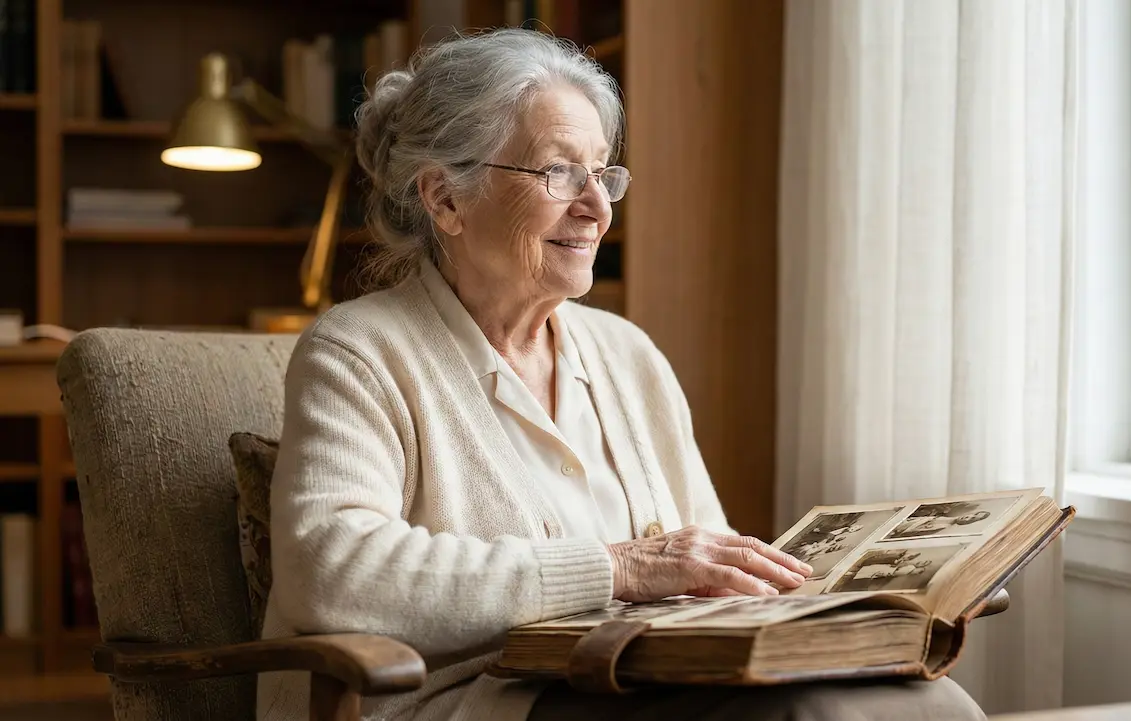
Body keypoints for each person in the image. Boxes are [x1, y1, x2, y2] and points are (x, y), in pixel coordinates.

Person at [256, 28, 986, 721]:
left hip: (641, 682)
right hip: (472, 701)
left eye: (603, 172)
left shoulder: (626, 354)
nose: (598, 206)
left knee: (928, 701)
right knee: (809, 713)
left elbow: (708, 560)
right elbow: (332, 572)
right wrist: (619, 568)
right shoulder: (358, 351)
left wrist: (867, 602)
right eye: (558, 171)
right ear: (445, 198)